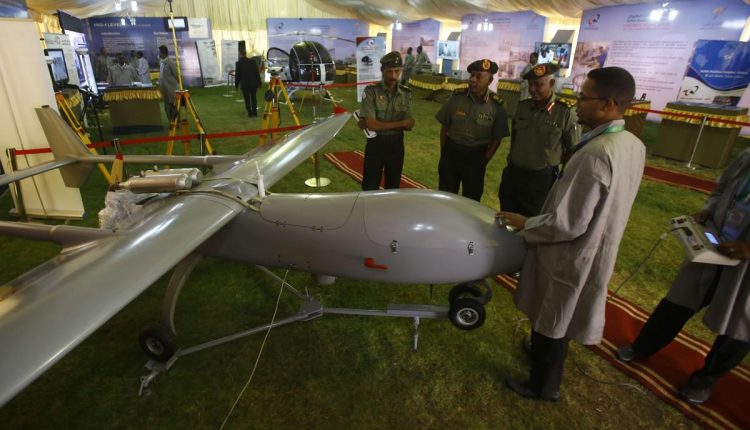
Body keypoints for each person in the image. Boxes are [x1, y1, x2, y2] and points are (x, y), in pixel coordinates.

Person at [497, 66, 645, 401]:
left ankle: (544, 385)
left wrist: (526, 223)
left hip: (571, 250)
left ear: (608, 104)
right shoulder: (631, 144)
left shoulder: (596, 154)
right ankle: (541, 353)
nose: (577, 102)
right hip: (596, 243)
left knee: (554, 311)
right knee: (559, 312)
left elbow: (567, 223)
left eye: (584, 97)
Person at [615, 149, 750, 405]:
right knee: (679, 300)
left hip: (746, 268)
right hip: (717, 241)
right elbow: (722, 189)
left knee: (738, 327)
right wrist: (709, 209)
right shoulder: (746, 156)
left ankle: (705, 380)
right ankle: (643, 347)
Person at [498, 63, 580, 217]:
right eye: (530, 84)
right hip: (514, 174)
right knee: (506, 215)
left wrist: (563, 176)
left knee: (531, 221)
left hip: (541, 180)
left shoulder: (565, 112)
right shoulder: (523, 107)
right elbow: (515, 134)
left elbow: (573, 148)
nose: (532, 89)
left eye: (538, 85)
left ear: (551, 83)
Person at [435, 59, 509, 202]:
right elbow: (445, 127)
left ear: (490, 80)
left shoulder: (497, 105)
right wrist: (444, 153)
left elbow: (497, 139)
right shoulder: (457, 97)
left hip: (476, 157)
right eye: (472, 75)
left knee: (471, 200)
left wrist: (483, 161)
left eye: (478, 76)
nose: (473, 80)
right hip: (452, 153)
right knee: (445, 197)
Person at [358, 51, 415, 191]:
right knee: (370, 186)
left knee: (393, 187)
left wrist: (378, 124)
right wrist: (400, 123)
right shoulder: (371, 91)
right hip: (376, 144)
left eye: (397, 71)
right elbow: (371, 125)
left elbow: (410, 124)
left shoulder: (406, 93)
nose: (393, 76)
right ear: (382, 70)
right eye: (390, 71)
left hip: (396, 145)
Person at [235, 49, 262, 117]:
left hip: (245, 84)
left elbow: (237, 75)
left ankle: (249, 113)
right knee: (254, 98)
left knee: (247, 99)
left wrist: (236, 85)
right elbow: (256, 72)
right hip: (253, 83)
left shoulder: (238, 63)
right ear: (245, 54)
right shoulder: (252, 61)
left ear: (240, 54)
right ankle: (255, 113)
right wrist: (259, 83)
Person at [158, 45, 180, 120]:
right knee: (167, 107)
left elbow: (176, 75)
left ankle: (176, 122)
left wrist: (176, 87)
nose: (159, 54)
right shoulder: (161, 62)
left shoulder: (170, 62)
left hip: (171, 90)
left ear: (163, 53)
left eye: (159, 52)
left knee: (173, 106)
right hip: (165, 90)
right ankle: (172, 122)